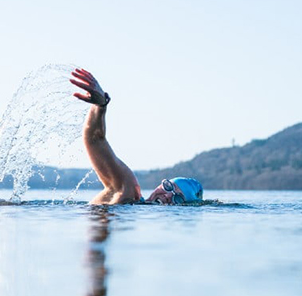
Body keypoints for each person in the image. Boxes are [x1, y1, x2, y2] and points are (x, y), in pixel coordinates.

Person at [70, 68, 203, 205]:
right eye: (168, 187)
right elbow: (95, 140)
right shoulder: (127, 191)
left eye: (178, 198)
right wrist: (100, 106)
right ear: (160, 184)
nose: (168, 196)